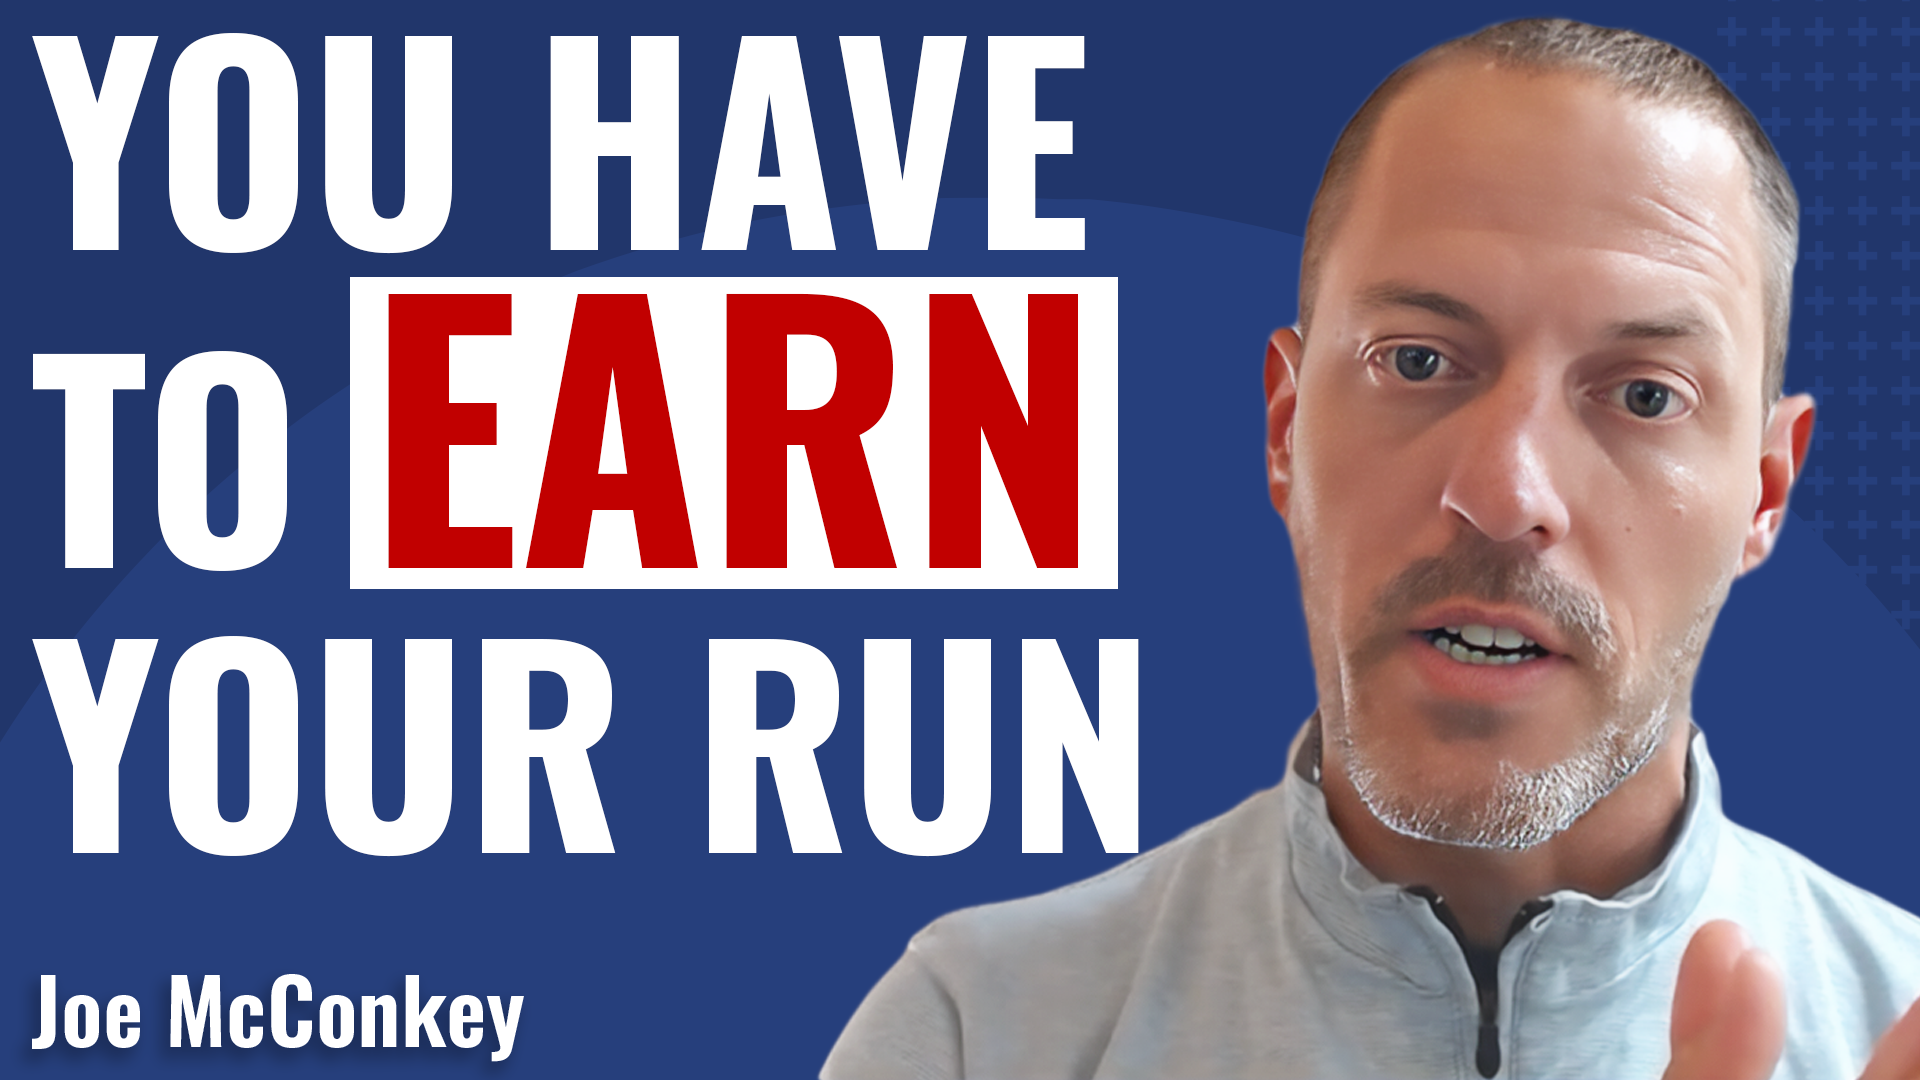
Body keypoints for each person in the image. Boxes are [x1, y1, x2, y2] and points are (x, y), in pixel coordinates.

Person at [821, 19, 1920, 1080]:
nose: (1506, 495)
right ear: (1285, 430)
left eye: (1644, 395)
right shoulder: (976, 1034)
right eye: (1418, 361)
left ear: (1767, 492)